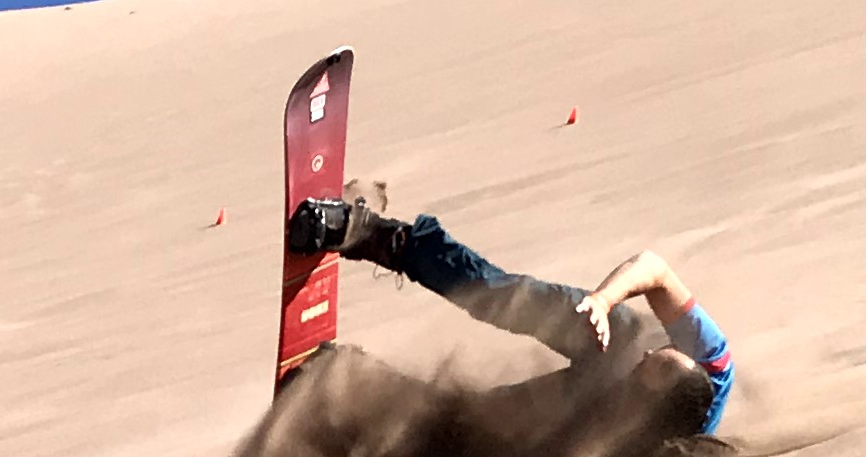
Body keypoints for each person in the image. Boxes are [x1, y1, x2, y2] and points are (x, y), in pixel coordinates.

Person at [287, 188, 736, 441]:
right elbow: (655, 269)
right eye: (655, 358)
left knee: (481, 423)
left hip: (603, 400)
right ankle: (371, 234)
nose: (642, 361)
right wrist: (603, 300)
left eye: (645, 374)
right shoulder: (711, 355)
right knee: (498, 297)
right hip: (606, 328)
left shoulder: (655, 440)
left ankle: (347, 377)